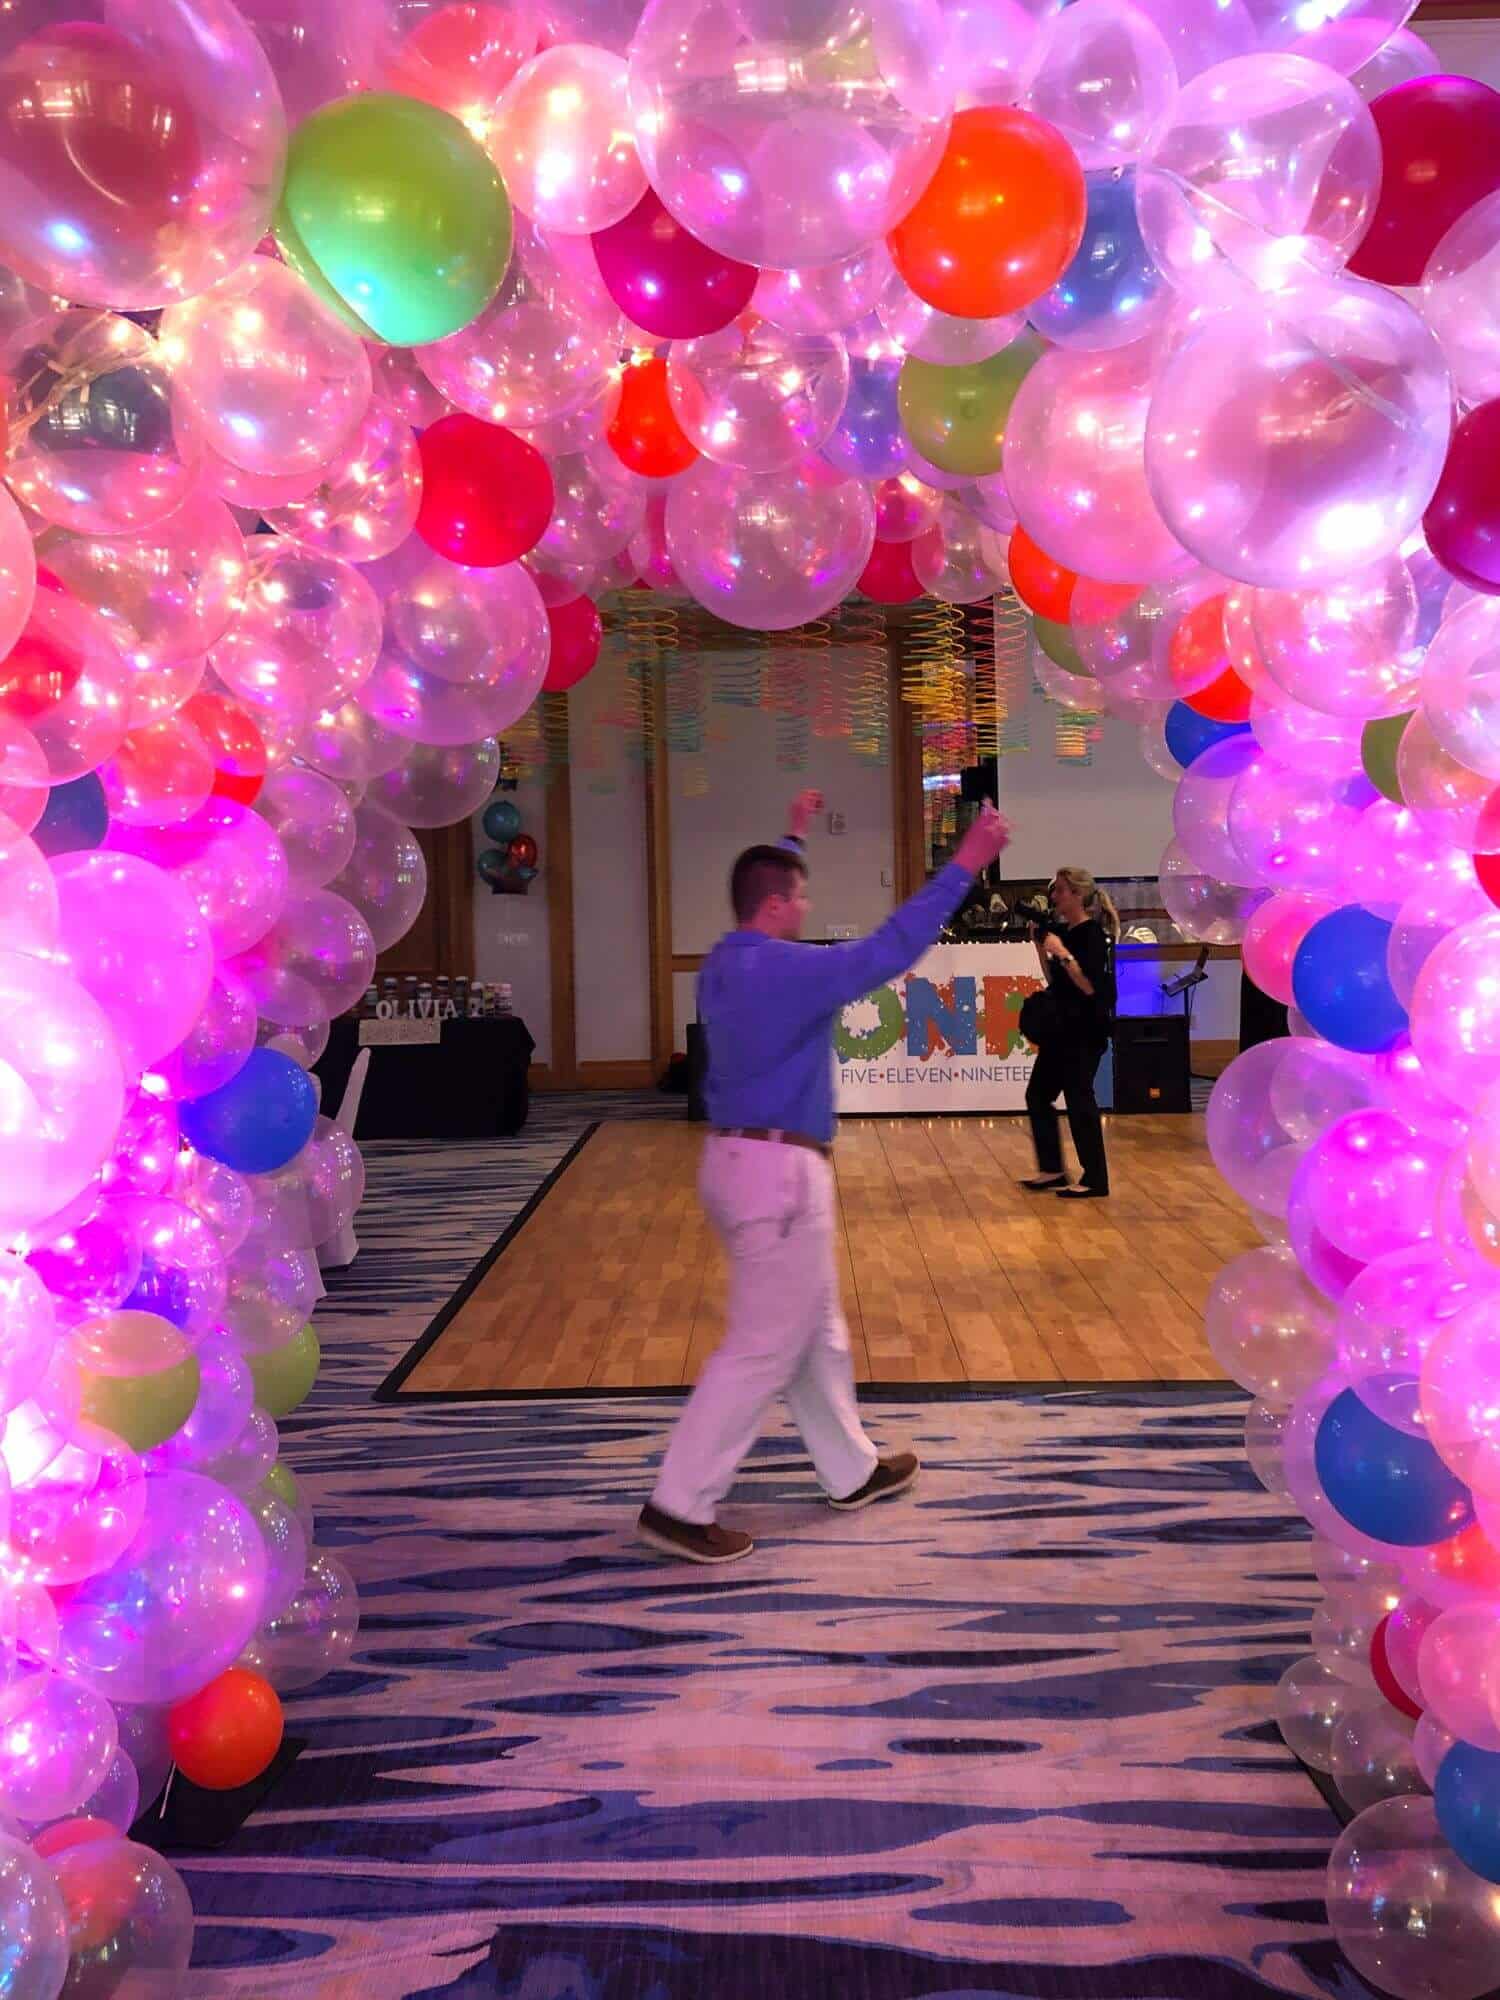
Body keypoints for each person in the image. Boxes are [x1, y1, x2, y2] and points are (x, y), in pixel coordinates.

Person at [638, 791, 1012, 1565]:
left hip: (742, 1165)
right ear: (776, 905)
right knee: (762, 1347)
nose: (808, 903)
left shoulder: (724, 961)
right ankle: (679, 1504)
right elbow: (888, 949)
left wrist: (794, 831)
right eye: (801, 893)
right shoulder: (787, 971)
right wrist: (965, 865)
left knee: (816, 1334)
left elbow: (773, 884)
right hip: (777, 1175)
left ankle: (852, 1469)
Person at [1022, 865, 1120, 1201]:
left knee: (1080, 1100)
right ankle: (1052, 1169)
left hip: (1083, 1031)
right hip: (1061, 1030)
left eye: (1061, 890)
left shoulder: (1092, 935)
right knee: (1038, 1095)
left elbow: (1089, 986)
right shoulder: (1066, 932)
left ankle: (1095, 1178)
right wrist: (1041, 948)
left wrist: (1062, 952)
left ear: (1077, 895)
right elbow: (1057, 981)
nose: (1054, 896)